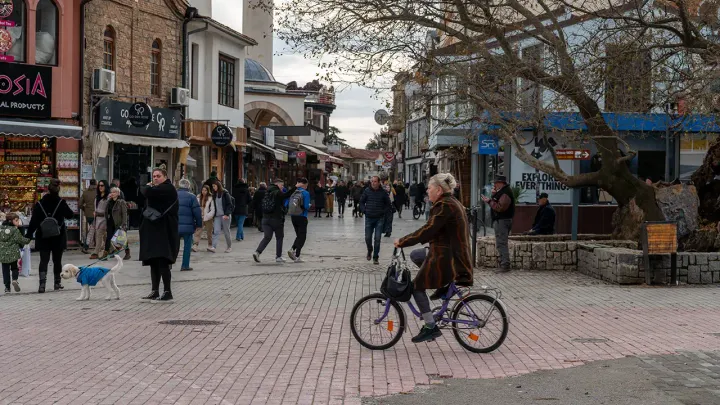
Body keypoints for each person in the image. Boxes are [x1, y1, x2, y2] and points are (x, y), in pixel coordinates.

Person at [394, 173, 473, 343]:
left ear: (438, 190)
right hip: (449, 252)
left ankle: (430, 326)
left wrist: (402, 241)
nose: (427, 192)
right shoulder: (449, 202)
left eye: (429, 188)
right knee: (416, 255)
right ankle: (443, 284)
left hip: (448, 257)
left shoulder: (445, 205)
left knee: (416, 287)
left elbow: (428, 230)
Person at [26, 179, 75, 293]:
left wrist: (28, 236)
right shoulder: (61, 202)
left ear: (48, 189)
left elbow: (33, 222)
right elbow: (70, 215)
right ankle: (57, 283)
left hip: (43, 237)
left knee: (43, 261)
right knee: (57, 260)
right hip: (58, 237)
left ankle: (42, 285)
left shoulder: (40, 204)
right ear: (58, 190)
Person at [139, 168, 180, 303]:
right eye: (154, 176)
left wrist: (146, 185)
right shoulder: (158, 189)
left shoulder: (168, 188)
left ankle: (167, 292)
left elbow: (146, 191)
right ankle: (155, 291)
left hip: (165, 232)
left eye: (158, 176)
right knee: (153, 261)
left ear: (165, 177)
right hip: (154, 231)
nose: (155, 178)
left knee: (163, 260)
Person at [253, 178, 297, 263]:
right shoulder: (277, 192)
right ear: (277, 184)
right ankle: (278, 256)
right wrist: (295, 187)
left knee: (267, 237)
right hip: (276, 219)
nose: (282, 187)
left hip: (265, 219)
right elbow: (286, 195)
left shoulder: (267, 192)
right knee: (279, 237)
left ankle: (257, 252)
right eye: (282, 185)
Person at [481, 175, 515, 273]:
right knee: (501, 242)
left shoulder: (505, 193)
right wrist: (494, 196)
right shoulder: (502, 192)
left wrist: (489, 201)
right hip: (501, 220)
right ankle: (504, 264)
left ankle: (505, 265)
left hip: (503, 221)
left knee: (501, 242)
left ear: (501, 183)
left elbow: (500, 207)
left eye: (496, 183)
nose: (494, 185)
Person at [360, 176, 391, 264]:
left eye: (375, 181)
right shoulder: (367, 191)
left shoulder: (383, 192)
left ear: (379, 182)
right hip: (369, 218)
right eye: (372, 181)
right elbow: (361, 202)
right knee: (367, 238)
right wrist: (364, 210)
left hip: (379, 219)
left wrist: (383, 212)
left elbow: (388, 204)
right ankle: (370, 249)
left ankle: (375, 257)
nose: (373, 183)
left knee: (377, 239)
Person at [0, 213, 30, 294]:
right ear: (11, 221)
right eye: (16, 220)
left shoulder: (0, 229)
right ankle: (14, 280)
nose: (18, 222)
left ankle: (7, 287)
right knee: (14, 268)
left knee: (5, 270)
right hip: (13, 253)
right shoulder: (15, 230)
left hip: (3, 254)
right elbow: (21, 240)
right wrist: (28, 239)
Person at [177, 178, 202, 271]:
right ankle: (185, 265)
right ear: (188, 186)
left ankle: (169, 263)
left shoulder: (174, 195)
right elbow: (197, 212)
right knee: (187, 246)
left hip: (175, 225)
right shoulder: (192, 197)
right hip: (188, 226)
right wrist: (199, 224)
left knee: (174, 246)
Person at [288, 178, 311, 263]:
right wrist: (309, 205)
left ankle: (293, 250)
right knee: (302, 236)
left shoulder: (293, 192)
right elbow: (305, 206)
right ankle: (296, 254)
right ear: (305, 185)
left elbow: (286, 203)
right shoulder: (305, 193)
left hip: (293, 216)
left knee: (298, 235)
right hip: (302, 216)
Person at [210, 182, 234, 253]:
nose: (213, 188)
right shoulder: (214, 194)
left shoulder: (225, 193)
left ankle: (229, 247)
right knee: (216, 231)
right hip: (217, 215)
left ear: (218, 186)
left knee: (226, 231)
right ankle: (213, 247)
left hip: (225, 215)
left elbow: (229, 204)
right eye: (213, 186)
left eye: (214, 186)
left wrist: (227, 214)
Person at [104, 187, 128, 258]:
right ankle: (105, 254)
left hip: (118, 222)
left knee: (121, 238)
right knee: (109, 238)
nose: (112, 193)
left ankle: (127, 252)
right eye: (111, 192)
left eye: (114, 192)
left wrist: (124, 224)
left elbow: (124, 213)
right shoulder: (109, 202)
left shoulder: (121, 202)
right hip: (110, 222)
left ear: (118, 193)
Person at [90, 180, 110, 259]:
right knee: (104, 236)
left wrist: (98, 213)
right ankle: (113, 249)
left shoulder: (108, 197)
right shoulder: (97, 196)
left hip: (104, 219)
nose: (100, 187)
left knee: (98, 235)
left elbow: (108, 210)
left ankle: (96, 252)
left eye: (102, 185)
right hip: (97, 219)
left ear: (105, 186)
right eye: (99, 185)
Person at [193, 185, 214, 252]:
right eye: (203, 190)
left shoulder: (210, 198)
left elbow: (213, 209)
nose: (203, 192)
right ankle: (195, 245)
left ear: (208, 191)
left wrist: (208, 216)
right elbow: (196, 207)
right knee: (198, 231)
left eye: (205, 190)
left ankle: (210, 245)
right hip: (200, 217)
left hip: (208, 218)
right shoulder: (198, 197)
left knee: (209, 232)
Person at [79, 179, 97, 253]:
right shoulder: (98, 192)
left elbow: (80, 204)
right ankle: (86, 246)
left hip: (88, 214)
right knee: (92, 231)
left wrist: (85, 209)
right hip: (96, 214)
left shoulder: (85, 192)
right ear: (96, 184)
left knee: (93, 230)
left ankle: (93, 244)